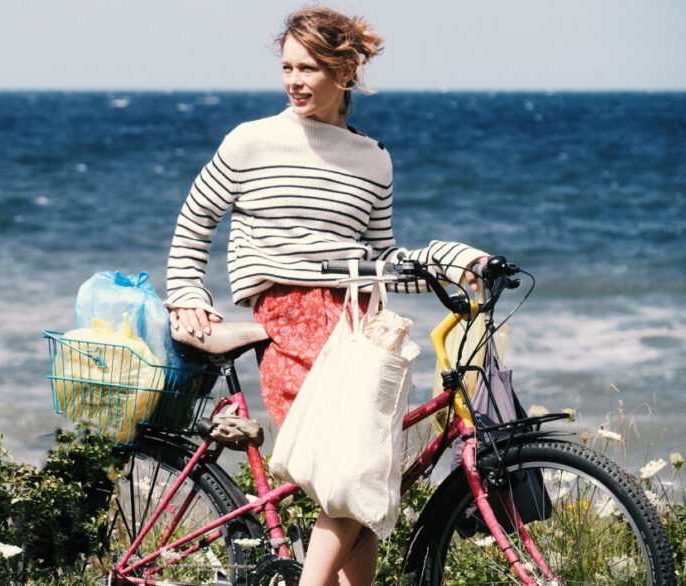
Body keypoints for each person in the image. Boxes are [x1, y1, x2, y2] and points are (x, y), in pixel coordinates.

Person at [163, 7, 487, 585]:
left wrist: (450, 260)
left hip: (360, 321)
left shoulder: (373, 160)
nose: (294, 80)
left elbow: (382, 261)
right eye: (287, 67)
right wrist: (187, 291)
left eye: (309, 68)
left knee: (359, 485)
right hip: (287, 319)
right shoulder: (251, 142)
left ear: (345, 72)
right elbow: (195, 222)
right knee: (351, 476)